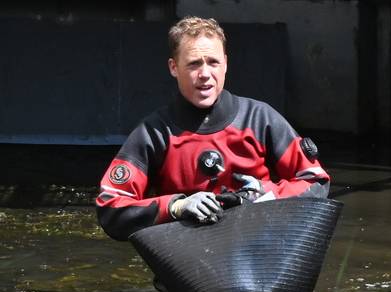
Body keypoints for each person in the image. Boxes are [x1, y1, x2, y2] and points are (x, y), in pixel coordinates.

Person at [96, 16, 330, 242]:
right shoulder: (154, 133)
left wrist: (267, 195)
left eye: (213, 62)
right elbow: (111, 208)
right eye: (194, 64)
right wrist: (176, 206)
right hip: (185, 262)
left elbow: (316, 180)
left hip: (259, 254)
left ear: (226, 64)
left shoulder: (259, 118)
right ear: (173, 67)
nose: (205, 74)